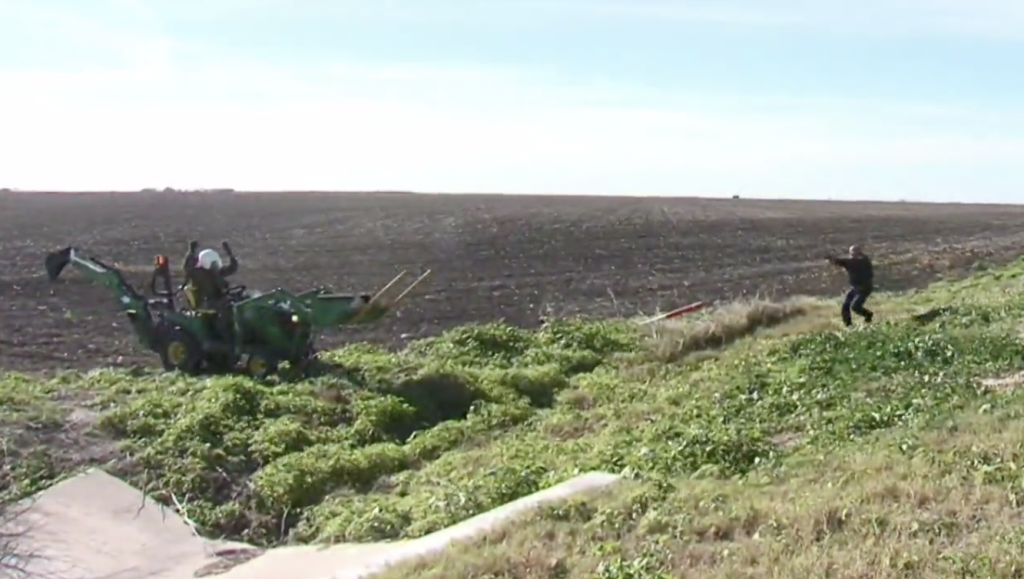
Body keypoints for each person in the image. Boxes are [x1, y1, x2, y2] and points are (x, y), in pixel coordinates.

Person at [182, 240, 240, 341]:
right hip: (207, 301)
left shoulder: (217, 271)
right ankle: (227, 337)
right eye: (212, 262)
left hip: (220, 298)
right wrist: (191, 252)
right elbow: (188, 268)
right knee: (226, 309)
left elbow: (232, 268)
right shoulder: (198, 274)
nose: (214, 264)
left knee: (241, 299)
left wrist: (230, 254)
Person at [827, 244, 874, 326]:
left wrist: (831, 258)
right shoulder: (862, 260)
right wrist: (833, 259)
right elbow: (842, 262)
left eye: (852, 252)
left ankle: (868, 315)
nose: (851, 254)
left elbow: (841, 262)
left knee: (855, 307)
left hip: (863, 288)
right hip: (857, 287)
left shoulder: (858, 261)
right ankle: (848, 325)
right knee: (846, 306)